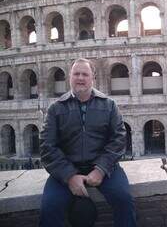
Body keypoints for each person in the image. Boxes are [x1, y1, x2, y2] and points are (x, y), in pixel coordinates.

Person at [39, 58, 136, 227]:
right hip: (65, 169)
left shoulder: (109, 105)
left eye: (85, 74)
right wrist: (69, 176)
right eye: (76, 74)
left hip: (103, 168)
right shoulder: (56, 108)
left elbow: (119, 139)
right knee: (49, 207)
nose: (80, 78)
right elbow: (47, 146)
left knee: (124, 199)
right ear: (70, 77)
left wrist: (100, 170)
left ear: (93, 78)